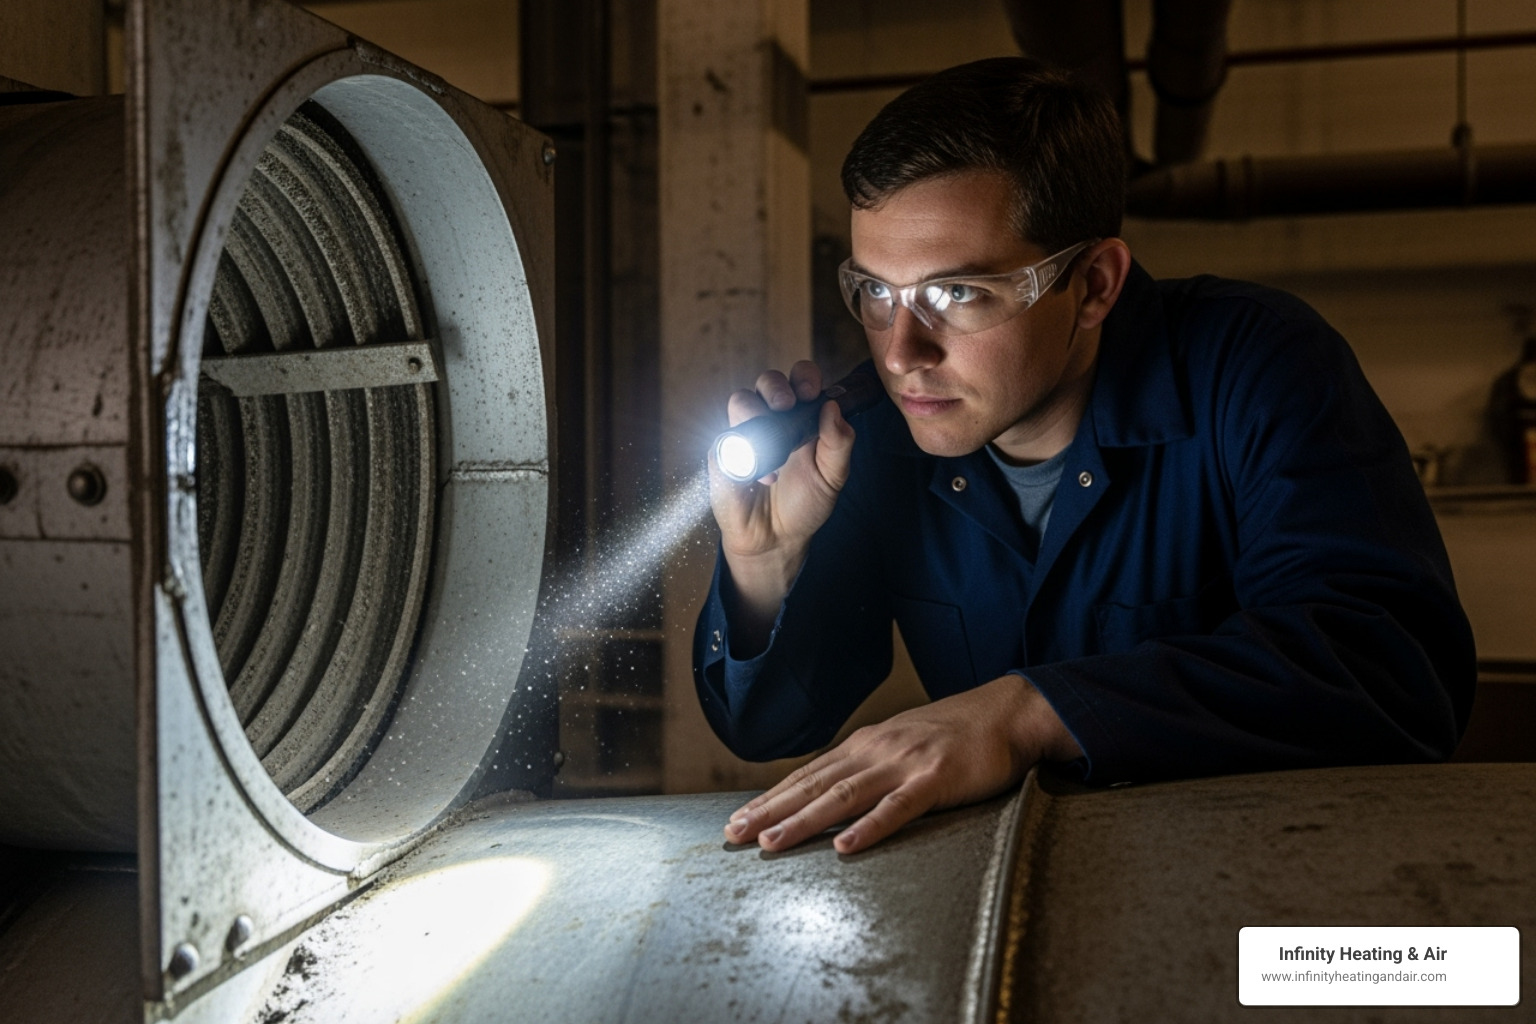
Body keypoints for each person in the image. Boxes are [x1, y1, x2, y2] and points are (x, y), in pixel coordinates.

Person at [693, 57, 1475, 856]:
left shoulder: (1257, 366)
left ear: (1096, 284)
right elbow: (771, 727)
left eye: (958, 293)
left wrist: (1029, 711)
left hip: (1261, 873)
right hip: (1021, 889)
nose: (902, 353)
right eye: (877, 293)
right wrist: (765, 563)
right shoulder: (878, 435)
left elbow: (1392, 675)